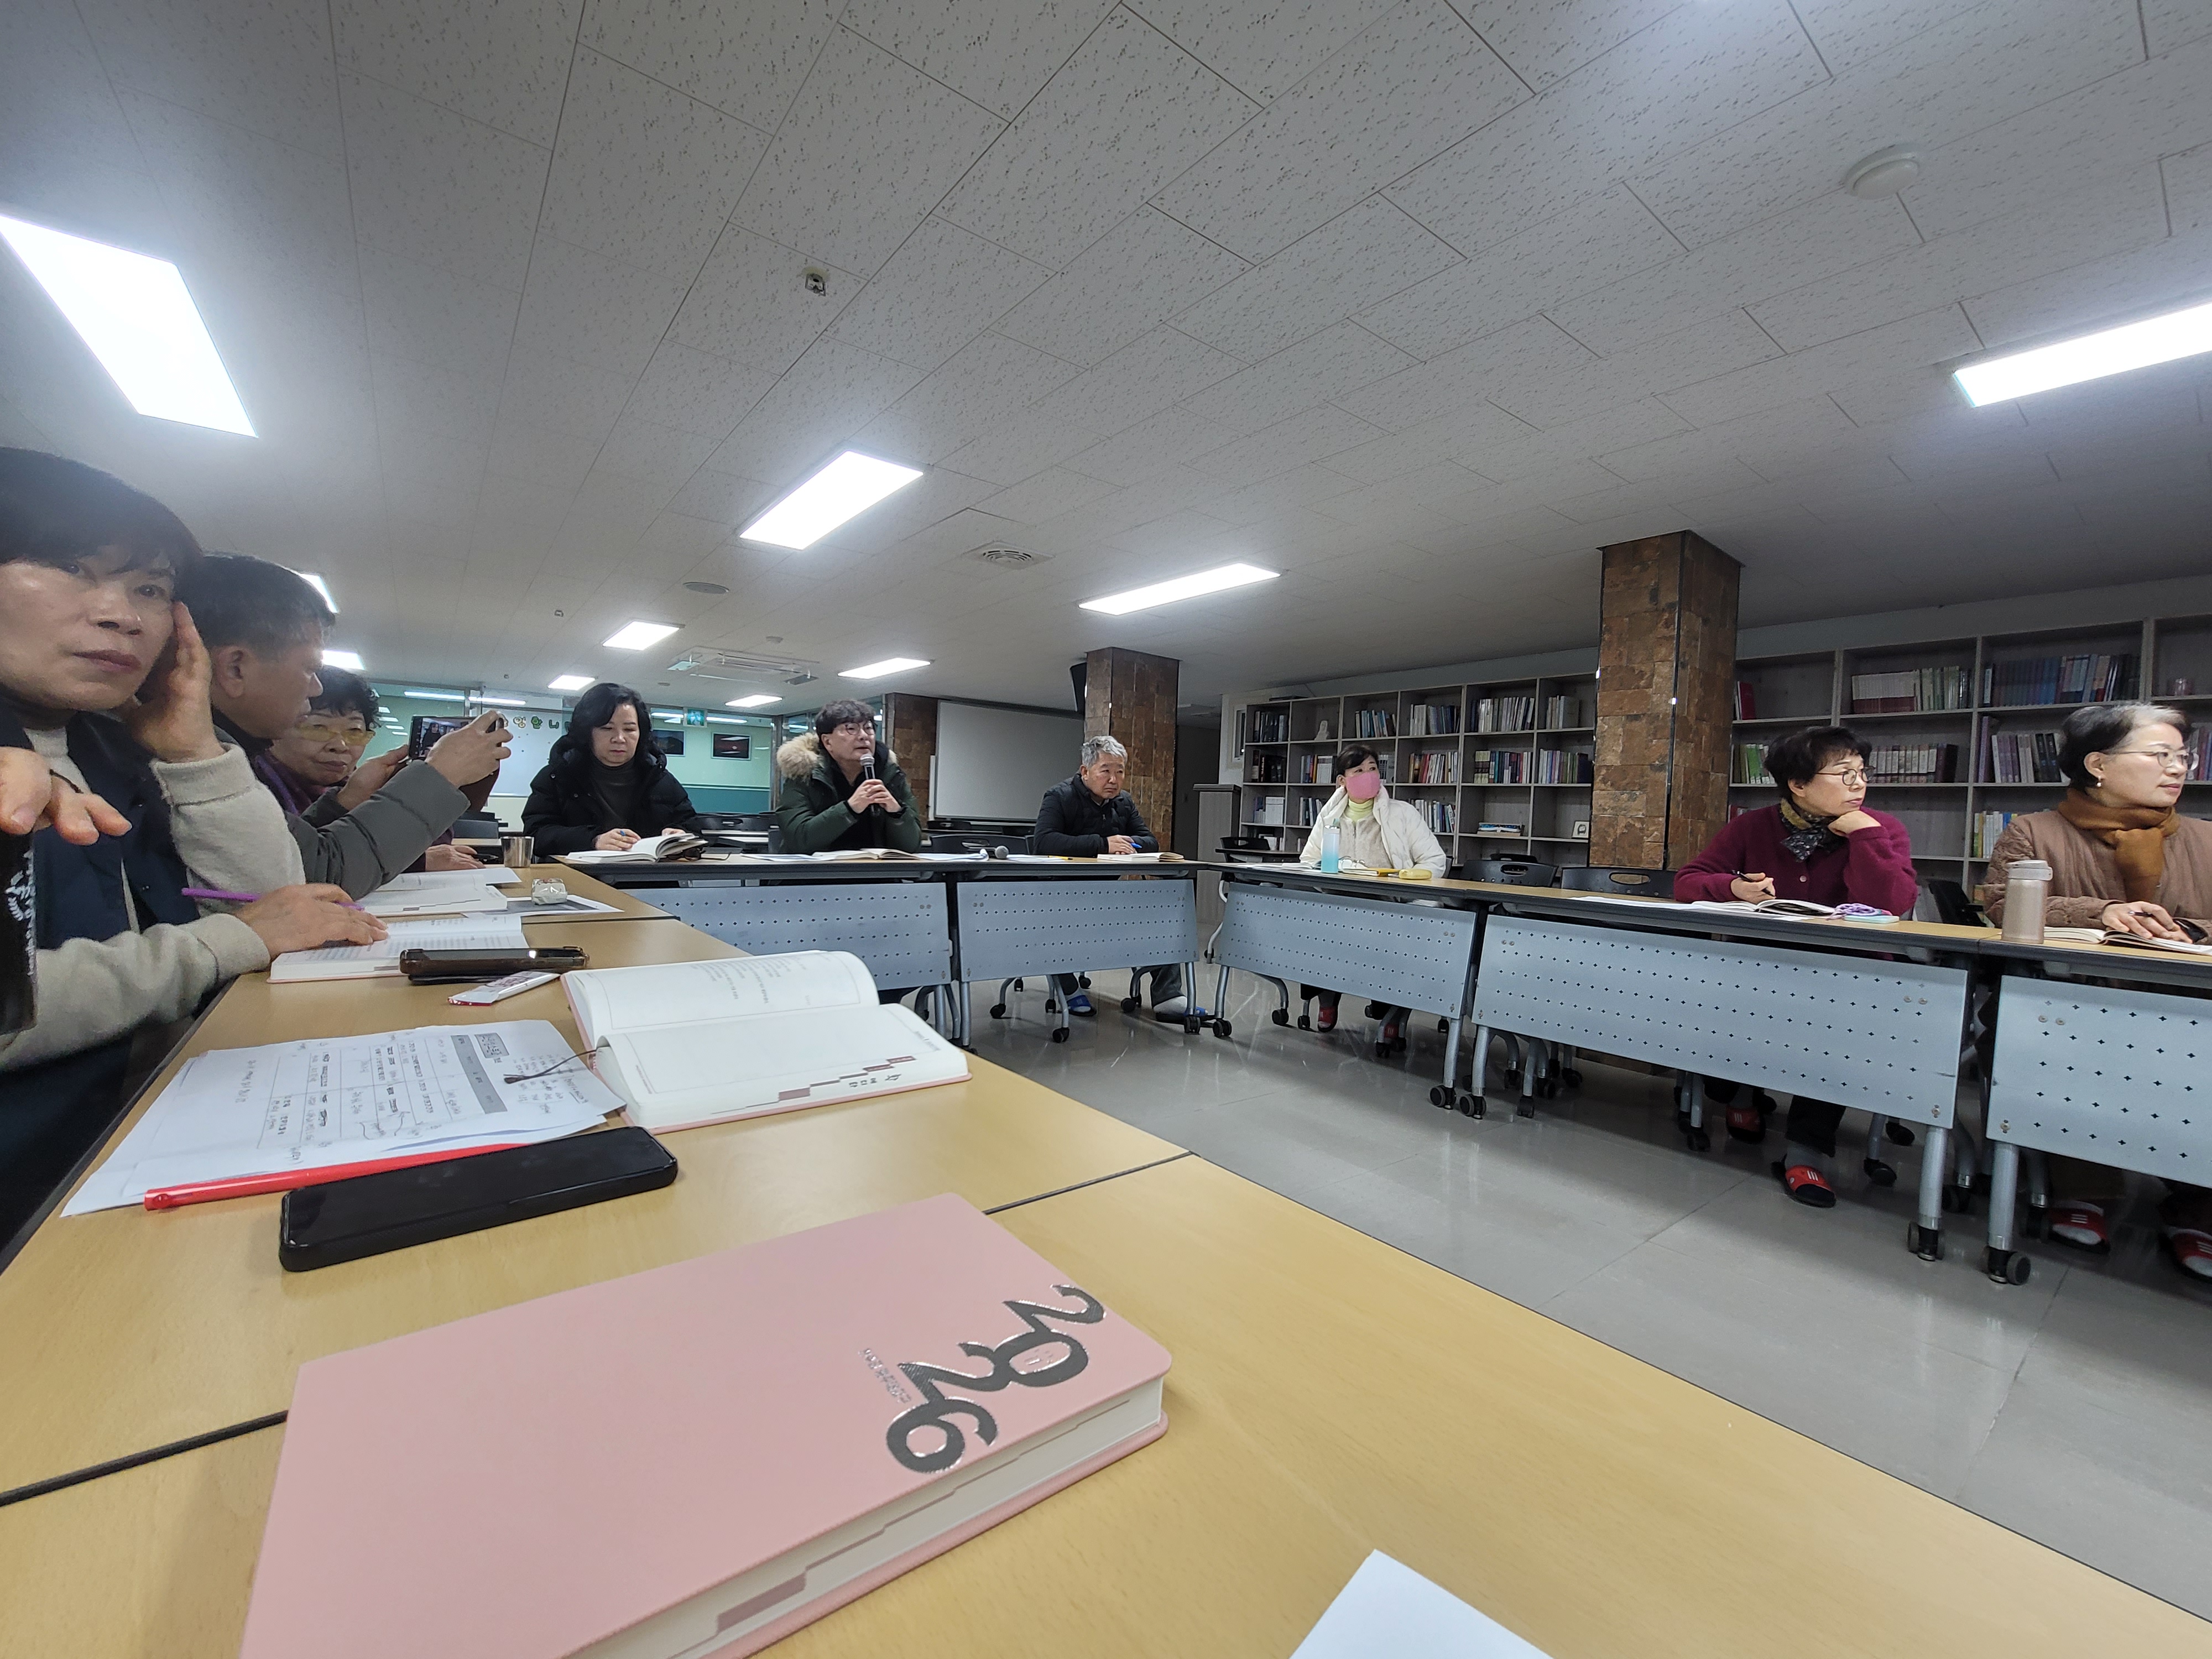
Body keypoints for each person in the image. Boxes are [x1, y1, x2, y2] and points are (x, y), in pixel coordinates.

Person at [0, 449, 380, 1208]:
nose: (122, 614)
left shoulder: (115, 746)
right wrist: (221, 944)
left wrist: (195, 750)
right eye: (73, 568)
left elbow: (280, 906)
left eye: (150, 588)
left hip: (150, 1124)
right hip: (39, 1191)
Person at [1981, 701, 2212, 1279]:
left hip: (2190, 1012)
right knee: (2049, 1044)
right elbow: (2001, 905)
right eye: (2159, 755)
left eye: (2181, 756)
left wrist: (2188, 930)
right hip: (2076, 1005)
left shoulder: (2206, 839)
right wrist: (2100, 912)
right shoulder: (2034, 832)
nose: (2177, 767)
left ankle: (2197, 1207)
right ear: (2098, 765)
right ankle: (2084, 1188)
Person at [1676, 725, 1918, 1207]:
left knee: (1837, 1039)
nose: (1859, 784)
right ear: (1798, 784)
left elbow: (1893, 903)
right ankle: (1741, 1095)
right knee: (1721, 1002)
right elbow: (1688, 881)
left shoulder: (1881, 828)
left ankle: (1805, 1153)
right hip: (1762, 969)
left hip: (1850, 977)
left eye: (1862, 773)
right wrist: (1733, 887)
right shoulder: (1754, 826)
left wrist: (1865, 837)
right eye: (1844, 774)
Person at [179, 554, 509, 896]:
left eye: (354, 732)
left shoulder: (222, 754)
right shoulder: (202, 764)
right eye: (309, 669)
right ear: (235, 668)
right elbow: (318, 874)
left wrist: (347, 800)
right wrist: (439, 775)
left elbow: (297, 855)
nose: (314, 688)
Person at [1295, 744, 1448, 1043]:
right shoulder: (1329, 816)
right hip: (1340, 902)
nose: (1368, 775)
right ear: (1342, 781)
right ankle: (1327, 1001)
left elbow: (1434, 860)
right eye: (1359, 771)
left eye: (1373, 769)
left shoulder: (1402, 814)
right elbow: (1308, 860)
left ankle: (1393, 1013)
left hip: (1389, 904)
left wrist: (1407, 879)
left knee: (1402, 941)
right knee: (1319, 932)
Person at [257, 669, 481, 872]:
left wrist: (404, 793)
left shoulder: (354, 784)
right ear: (277, 727)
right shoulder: (253, 787)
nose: (340, 746)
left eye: (354, 731)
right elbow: (287, 865)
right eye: (318, 727)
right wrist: (414, 862)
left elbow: (437, 844)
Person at [1031, 734, 1186, 1021]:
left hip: (1107, 894)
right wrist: (1103, 844)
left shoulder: (1123, 802)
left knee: (1160, 916)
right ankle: (1067, 987)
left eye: (1120, 772)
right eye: (1106, 771)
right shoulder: (1059, 796)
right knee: (1056, 927)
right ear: (1085, 771)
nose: (1114, 780)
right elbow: (1044, 842)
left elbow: (1150, 841)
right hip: (1061, 894)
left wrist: (1127, 844)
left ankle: (1168, 995)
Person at [523, 682, 702, 855]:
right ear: (587, 732)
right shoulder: (557, 776)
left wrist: (681, 836)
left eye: (629, 730)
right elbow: (537, 835)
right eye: (607, 728)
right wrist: (593, 840)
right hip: (578, 874)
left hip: (648, 874)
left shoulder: (660, 779)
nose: (619, 738)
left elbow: (693, 828)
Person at [775, 700, 923, 854]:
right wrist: (850, 809)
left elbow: (912, 847)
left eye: (868, 728)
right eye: (851, 729)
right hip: (816, 869)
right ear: (828, 742)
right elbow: (799, 840)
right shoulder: (804, 775)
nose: (864, 736)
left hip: (873, 868)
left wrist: (896, 813)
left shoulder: (891, 776)